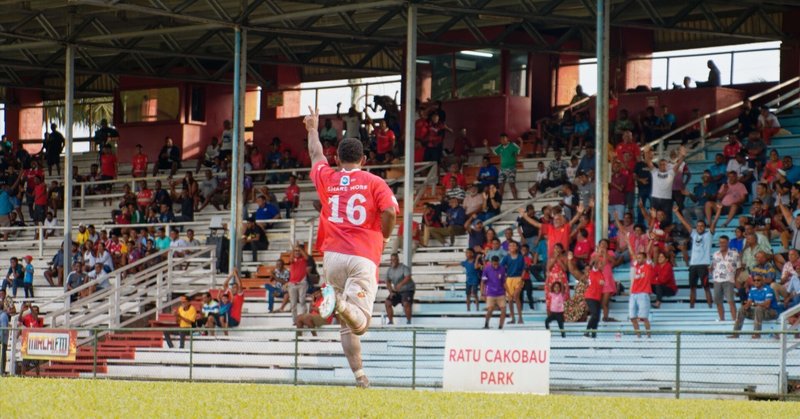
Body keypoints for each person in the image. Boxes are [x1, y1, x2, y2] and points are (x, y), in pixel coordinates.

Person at [305, 106, 399, 389]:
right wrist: (384, 234)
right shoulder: (374, 182)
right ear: (364, 159)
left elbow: (315, 154)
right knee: (361, 324)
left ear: (337, 158)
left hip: (331, 256)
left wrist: (311, 127)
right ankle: (341, 302)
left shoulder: (328, 178)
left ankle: (360, 377)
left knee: (345, 323)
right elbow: (391, 212)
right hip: (361, 256)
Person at [673, 206, 713, 309]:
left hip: (703, 265)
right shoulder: (694, 234)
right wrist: (677, 212)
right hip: (693, 266)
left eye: (702, 226)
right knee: (692, 288)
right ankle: (691, 307)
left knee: (706, 288)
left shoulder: (708, 235)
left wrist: (719, 211)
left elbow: (714, 223)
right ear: (696, 227)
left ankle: (710, 306)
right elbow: (685, 223)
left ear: (705, 227)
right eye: (698, 225)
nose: (700, 227)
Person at [730, 274, 777, 339]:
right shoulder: (752, 289)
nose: (756, 282)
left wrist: (753, 304)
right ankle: (735, 334)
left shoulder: (768, 289)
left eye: (758, 280)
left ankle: (757, 334)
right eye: (754, 280)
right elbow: (749, 302)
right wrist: (746, 306)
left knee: (758, 308)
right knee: (741, 309)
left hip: (771, 312)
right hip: (759, 312)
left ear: (763, 281)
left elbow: (767, 305)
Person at [709, 235, 740, 321]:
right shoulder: (715, 254)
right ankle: (722, 320)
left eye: (723, 242)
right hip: (717, 280)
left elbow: (739, 268)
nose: (721, 244)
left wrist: (735, 279)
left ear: (728, 242)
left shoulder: (734, 253)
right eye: (720, 242)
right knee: (718, 302)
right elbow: (713, 265)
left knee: (731, 301)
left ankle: (735, 320)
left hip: (729, 280)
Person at [484, 133, 521, 199]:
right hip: (502, 169)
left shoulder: (512, 145)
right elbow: (492, 153)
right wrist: (487, 145)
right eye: (501, 139)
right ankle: (499, 200)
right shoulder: (500, 147)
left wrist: (521, 142)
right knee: (501, 185)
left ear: (508, 139)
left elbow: (519, 151)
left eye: (504, 138)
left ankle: (515, 199)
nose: (502, 140)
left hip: (511, 168)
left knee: (511, 184)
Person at [384, 254, 414, 325]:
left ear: (398, 260)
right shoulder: (389, 270)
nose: (393, 261)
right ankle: (390, 321)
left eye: (394, 259)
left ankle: (408, 321)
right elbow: (387, 281)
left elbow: (408, 277)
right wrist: (391, 291)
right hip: (397, 291)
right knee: (387, 302)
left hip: (407, 290)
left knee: (406, 303)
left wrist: (401, 284)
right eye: (391, 260)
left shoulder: (404, 268)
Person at [629, 252, 653, 338]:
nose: (638, 259)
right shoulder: (636, 266)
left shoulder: (648, 266)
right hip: (633, 294)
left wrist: (651, 241)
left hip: (643, 294)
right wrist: (628, 242)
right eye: (637, 257)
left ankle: (648, 336)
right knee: (632, 317)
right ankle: (638, 336)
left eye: (640, 258)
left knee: (643, 318)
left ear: (644, 259)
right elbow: (632, 253)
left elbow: (648, 252)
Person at [501, 241, 525, 324]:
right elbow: (501, 267)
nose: (511, 246)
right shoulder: (506, 257)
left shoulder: (520, 257)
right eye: (510, 245)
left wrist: (521, 279)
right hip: (509, 279)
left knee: (516, 297)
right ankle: (513, 318)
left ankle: (520, 318)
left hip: (518, 279)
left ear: (517, 247)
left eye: (513, 245)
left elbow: (524, 269)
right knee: (510, 299)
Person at [481, 256, 507, 330]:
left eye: (497, 264)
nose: (496, 266)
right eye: (494, 264)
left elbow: (504, 282)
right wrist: (482, 293)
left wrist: (508, 292)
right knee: (490, 309)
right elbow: (483, 282)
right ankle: (486, 324)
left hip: (501, 293)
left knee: (504, 309)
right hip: (490, 293)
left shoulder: (502, 269)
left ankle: (500, 326)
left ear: (499, 262)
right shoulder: (486, 269)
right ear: (491, 262)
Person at [287, 244, 309, 325]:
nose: (297, 252)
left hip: (302, 283)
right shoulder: (292, 259)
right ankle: (295, 321)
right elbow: (290, 259)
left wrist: (300, 249)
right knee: (293, 304)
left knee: (302, 301)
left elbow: (307, 257)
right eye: (295, 251)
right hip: (292, 284)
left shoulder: (303, 259)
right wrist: (293, 250)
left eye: (298, 251)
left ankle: (303, 319)